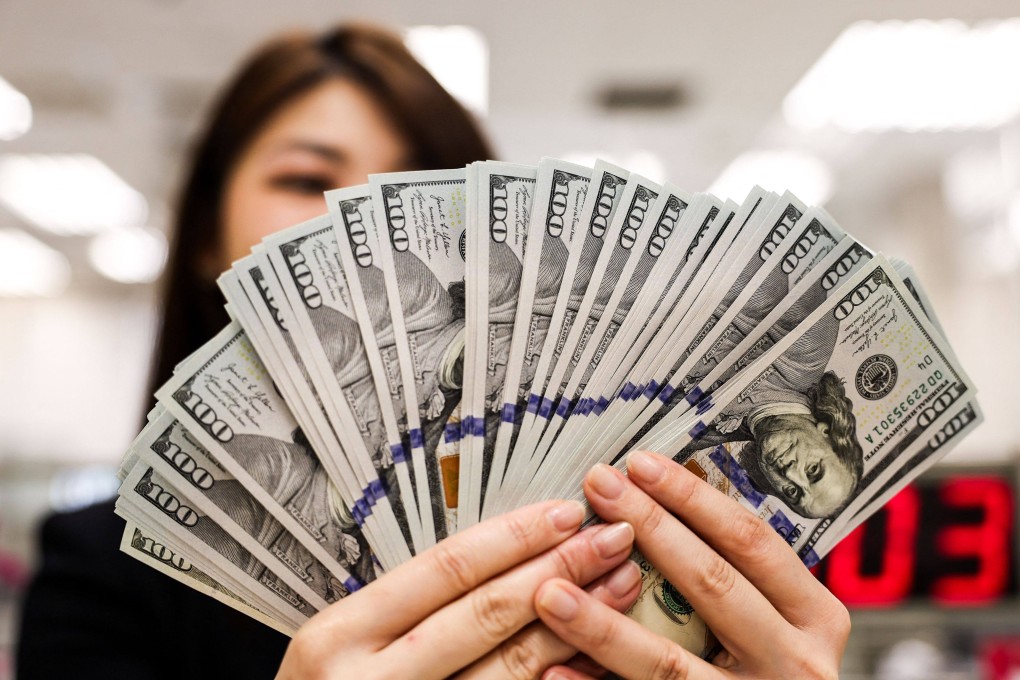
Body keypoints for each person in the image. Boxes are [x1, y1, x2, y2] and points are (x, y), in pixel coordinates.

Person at [18, 22, 850, 680]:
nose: (360, 219)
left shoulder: (633, 536)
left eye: (417, 187)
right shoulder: (99, 570)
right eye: (307, 177)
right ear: (207, 235)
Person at [676, 312, 863, 520]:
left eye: (792, 492)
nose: (789, 473)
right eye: (812, 469)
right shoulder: (811, 346)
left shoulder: (696, 437)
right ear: (826, 432)